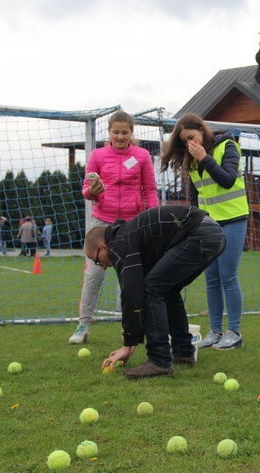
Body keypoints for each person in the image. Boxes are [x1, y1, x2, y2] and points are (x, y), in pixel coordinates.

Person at [90, 205, 226, 379]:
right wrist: (132, 342)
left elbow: (132, 293)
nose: (101, 265)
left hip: (199, 233)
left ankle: (159, 360)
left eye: (96, 260)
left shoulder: (119, 244)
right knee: (167, 290)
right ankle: (183, 351)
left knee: (151, 288)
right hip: (213, 234)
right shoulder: (126, 236)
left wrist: (128, 343)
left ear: (103, 247)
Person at [69, 110, 159, 344]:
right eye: (116, 132)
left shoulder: (142, 156)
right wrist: (93, 191)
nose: (120, 136)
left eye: (125, 132)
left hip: (132, 223)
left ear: (131, 133)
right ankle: (83, 325)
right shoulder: (97, 156)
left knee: (130, 276)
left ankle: (130, 328)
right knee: (94, 274)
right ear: (109, 132)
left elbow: (149, 189)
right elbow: (86, 191)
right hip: (102, 223)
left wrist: (153, 217)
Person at [160, 113, 249, 351]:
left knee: (228, 276)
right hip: (208, 224)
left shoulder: (228, 146)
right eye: (185, 142)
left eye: (192, 137)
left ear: (202, 129)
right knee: (211, 278)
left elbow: (228, 180)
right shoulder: (192, 158)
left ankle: (234, 333)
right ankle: (215, 331)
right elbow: (196, 195)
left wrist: (205, 157)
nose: (190, 143)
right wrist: (193, 222)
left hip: (233, 218)